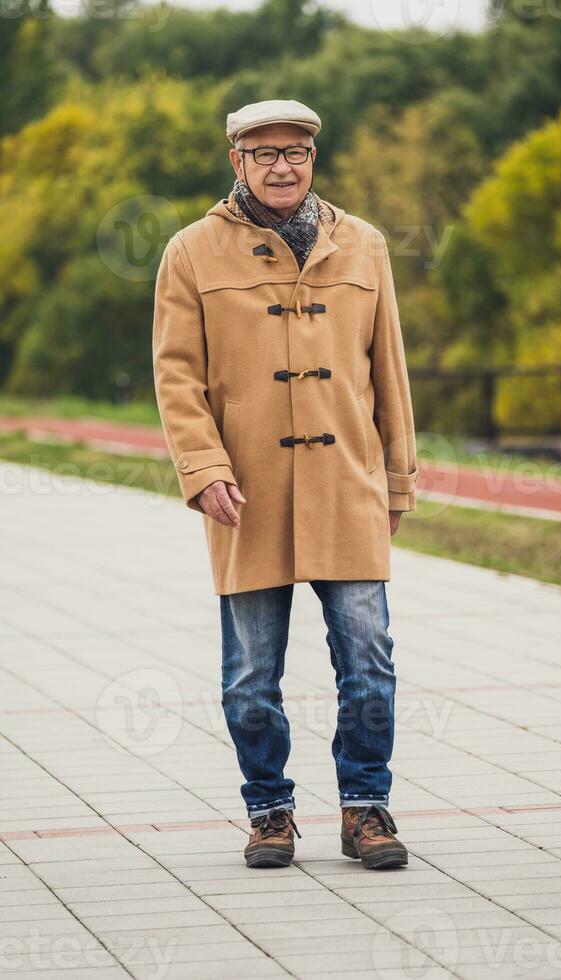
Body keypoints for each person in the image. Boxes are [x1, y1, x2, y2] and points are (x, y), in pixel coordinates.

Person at [152, 99, 418, 870]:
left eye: (295, 152)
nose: (282, 166)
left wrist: (397, 479)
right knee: (249, 674)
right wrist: (202, 470)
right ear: (236, 161)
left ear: (312, 157)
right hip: (248, 493)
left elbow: (390, 372)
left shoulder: (363, 245)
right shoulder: (191, 252)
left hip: (348, 484)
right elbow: (176, 378)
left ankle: (366, 808)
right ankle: (269, 811)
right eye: (264, 153)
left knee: (369, 657)